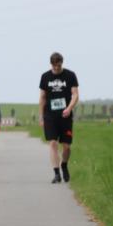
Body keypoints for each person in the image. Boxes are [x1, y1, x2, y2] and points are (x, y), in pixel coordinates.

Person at [39, 52, 79, 183]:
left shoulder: (70, 75)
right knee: (53, 143)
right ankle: (56, 173)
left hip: (65, 116)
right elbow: (42, 97)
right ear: (51, 64)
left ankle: (64, 165)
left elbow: (75, 95)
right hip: (50, 115)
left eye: (59, 65)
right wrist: (41, 116)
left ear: (62, 63)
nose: (56, 68)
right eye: (54, 66)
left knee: (66, 146)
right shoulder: (45, 77)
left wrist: (69, 108)